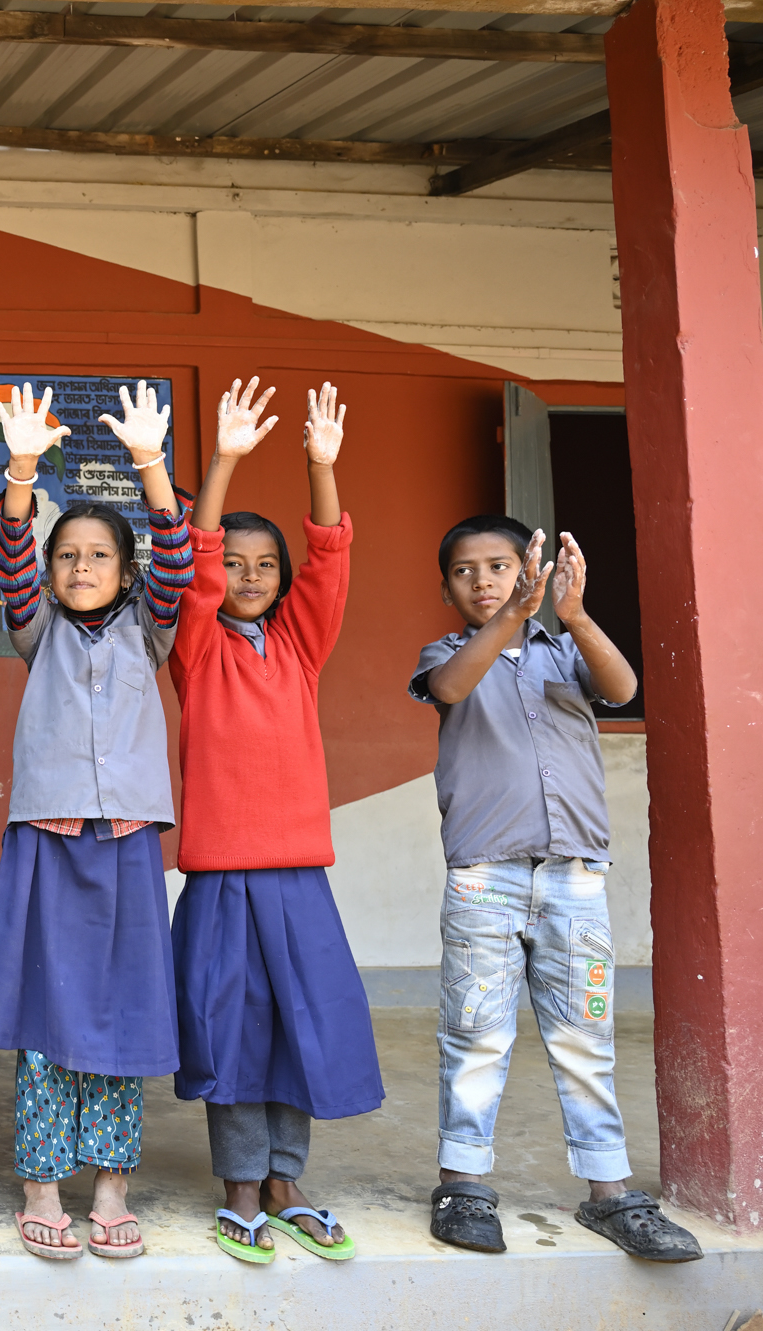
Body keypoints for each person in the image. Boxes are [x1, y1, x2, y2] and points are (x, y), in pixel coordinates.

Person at [412, 517, 700, 1262]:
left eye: (501, 566)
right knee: (477, 1032)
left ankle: (608, 1191)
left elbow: (624, 685)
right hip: (486, 879)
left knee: (586, 1037)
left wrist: (571, 614)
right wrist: (512, 617)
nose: (483, 580)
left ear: (526, 570)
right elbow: (450, 687)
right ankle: (463, 1183)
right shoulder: (448, 654)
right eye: (466, 571)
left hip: (576, 879)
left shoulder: (568, 654)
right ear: (445, 587)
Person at [0, 382, 195, 1260]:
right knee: (44, 1011)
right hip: (48, 841)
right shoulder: (38, 633)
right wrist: (22, 472)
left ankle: (110, 1178)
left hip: (127, 844)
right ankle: (41, 1177)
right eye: (66, 555)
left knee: (123, 1011)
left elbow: (179, 560)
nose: (76, 568)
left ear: (125, 569)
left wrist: (151, 464)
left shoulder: (150, 631)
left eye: (97, 555)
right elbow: (11, 563)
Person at [168, 379, 381, 1265]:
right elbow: (199, 554)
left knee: (300, 1022)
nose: (248, 577)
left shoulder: (299, 645)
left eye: (267, 566)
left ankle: (288, 1181)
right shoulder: (198, 644)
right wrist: (223, 460)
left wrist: (319, 464)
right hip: (220, 873)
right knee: (231, 1028)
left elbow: (330, 556)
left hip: (297, 873)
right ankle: (241, 1188)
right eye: (238, 566)